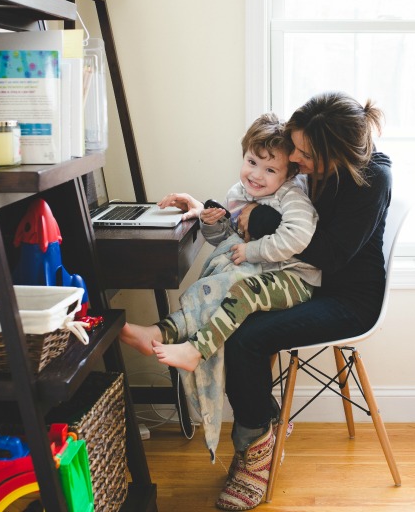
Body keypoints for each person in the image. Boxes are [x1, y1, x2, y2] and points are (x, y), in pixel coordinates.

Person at [215, 92, 392, 511]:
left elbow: (329, 253)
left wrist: (261, 219)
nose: (294, 159)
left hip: (350, 301)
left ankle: (257, 452)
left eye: (304, 154)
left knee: (246, 339)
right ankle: (265, 427)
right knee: (229, 317)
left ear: (334, 154)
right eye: (295, 147)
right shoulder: (318, 168)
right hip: (306, 283)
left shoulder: (371, 180)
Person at [118, 113, 322, 457]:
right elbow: (228, 240)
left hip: (295, 279)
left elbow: (299, 238)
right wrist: (212, 222)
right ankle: (160, 332)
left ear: (289, 174)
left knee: (238, 291)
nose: (256, 175)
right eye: (252, 162)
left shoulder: (292, 197)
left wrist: (252, 250)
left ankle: (195, 349)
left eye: (270, 169)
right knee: (208, 289)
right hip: (261, 272)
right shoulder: (238, 193)